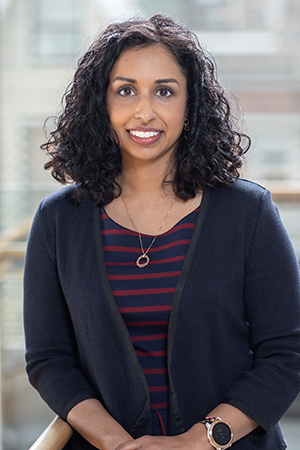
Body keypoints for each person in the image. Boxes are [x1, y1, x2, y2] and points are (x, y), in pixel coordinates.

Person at [23, 14, 300, 450]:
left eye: (165, 91)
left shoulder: (248, 212)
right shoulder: (58, 220)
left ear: (190, 106)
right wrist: (117, 444)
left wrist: (197, 441)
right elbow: (48, 359)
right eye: (126, 90)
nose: (144, 111)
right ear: (103, 103)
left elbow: (287, 354)